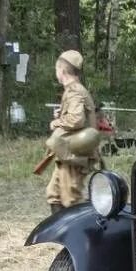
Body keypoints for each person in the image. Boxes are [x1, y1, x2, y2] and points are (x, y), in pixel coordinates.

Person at [45, 50, 98, 213]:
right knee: (54, 194)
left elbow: (76, 120)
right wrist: (62, 114)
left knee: (71, 200)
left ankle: (79, 234)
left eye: (56, 70)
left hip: (75, 154)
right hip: (67, 153)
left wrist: (57, 122)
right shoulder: (74, 90)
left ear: (62, 71)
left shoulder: (74, 90)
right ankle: (58, 234)